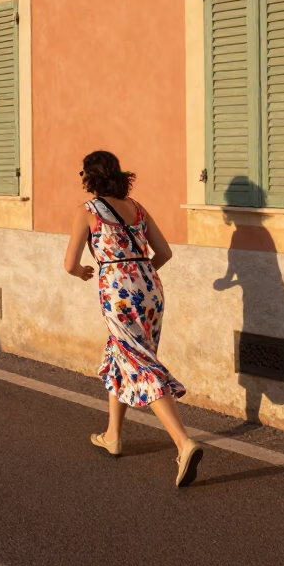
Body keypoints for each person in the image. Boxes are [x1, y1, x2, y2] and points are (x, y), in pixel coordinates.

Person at [62, 150, 203, 488]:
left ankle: (184, 444)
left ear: (90, 176)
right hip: (150, 288)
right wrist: (140, 273)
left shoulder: (88, 211)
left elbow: (70, 264)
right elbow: (164, 252)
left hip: (117, 289)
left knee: (138, 361)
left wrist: (84, 273)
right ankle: (113, 435)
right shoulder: (137, 208)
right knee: (122, 354)